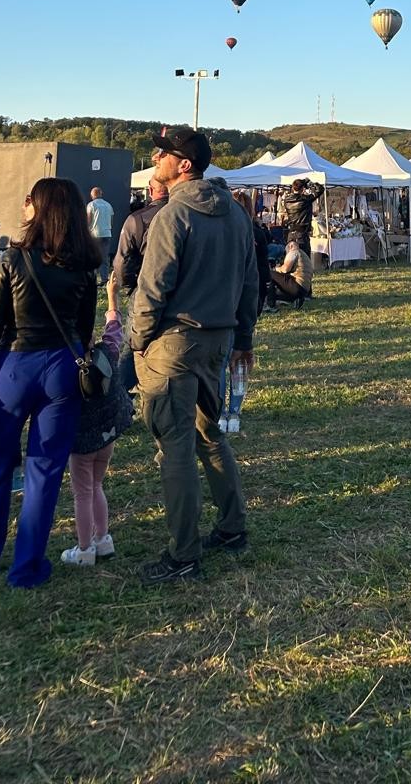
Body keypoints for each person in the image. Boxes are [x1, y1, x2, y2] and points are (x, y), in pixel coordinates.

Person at [0, 177, 99, 588]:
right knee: (44, 472)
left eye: (30, 200)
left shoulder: (14, 258)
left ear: (40, 207)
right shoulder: (85, 261)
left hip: (14, 365)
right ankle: (27, 567)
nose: (24, 206)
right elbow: (84, 327)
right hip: (63, 367)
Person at [129, 127, 258, 583]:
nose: (156, 157)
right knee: (210, 435)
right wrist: (243, 339)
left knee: (175, 447)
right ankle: (232, 528)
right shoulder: (238, 216)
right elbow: (250, 284)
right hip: (218, 342)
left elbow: (152, 287)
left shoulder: (172, 215)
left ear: (184, 164)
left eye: (163, 153)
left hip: (173, 344)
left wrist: (137, 339)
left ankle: (183, 554)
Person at [61, 270, 133, 566]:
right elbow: (114, 325)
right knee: (97, 486)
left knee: (82, 492)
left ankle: (85, 548)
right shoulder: (108, 351)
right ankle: (103, 538)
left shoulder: (65, 365)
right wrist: (112, 295)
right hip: (107, 436)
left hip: (81, 440)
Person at [114, 180, 168, 292]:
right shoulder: (189, 213)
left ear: (150, 190)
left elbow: (123, 260)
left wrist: (130, 284)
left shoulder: (138, 219)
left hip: (147, 287)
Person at [270, 236, 313, 310]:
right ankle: (297, 299)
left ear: (290, 246)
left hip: (297, 285)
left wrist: (276, 269)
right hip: (305, 290)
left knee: (270, 274)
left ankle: (270, 304)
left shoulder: (294, 252)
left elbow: (285, 269)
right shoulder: (304, 254)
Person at [86, 188, 115, 285]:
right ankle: (104, 278)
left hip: (95, 234)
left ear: (92, 195)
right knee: (104, 257)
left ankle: (92, 278)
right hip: (107, 234)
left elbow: (89, 220)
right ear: (101, 194)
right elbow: (111, 220)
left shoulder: (91, 205)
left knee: (93, 257)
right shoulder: (108, 205)